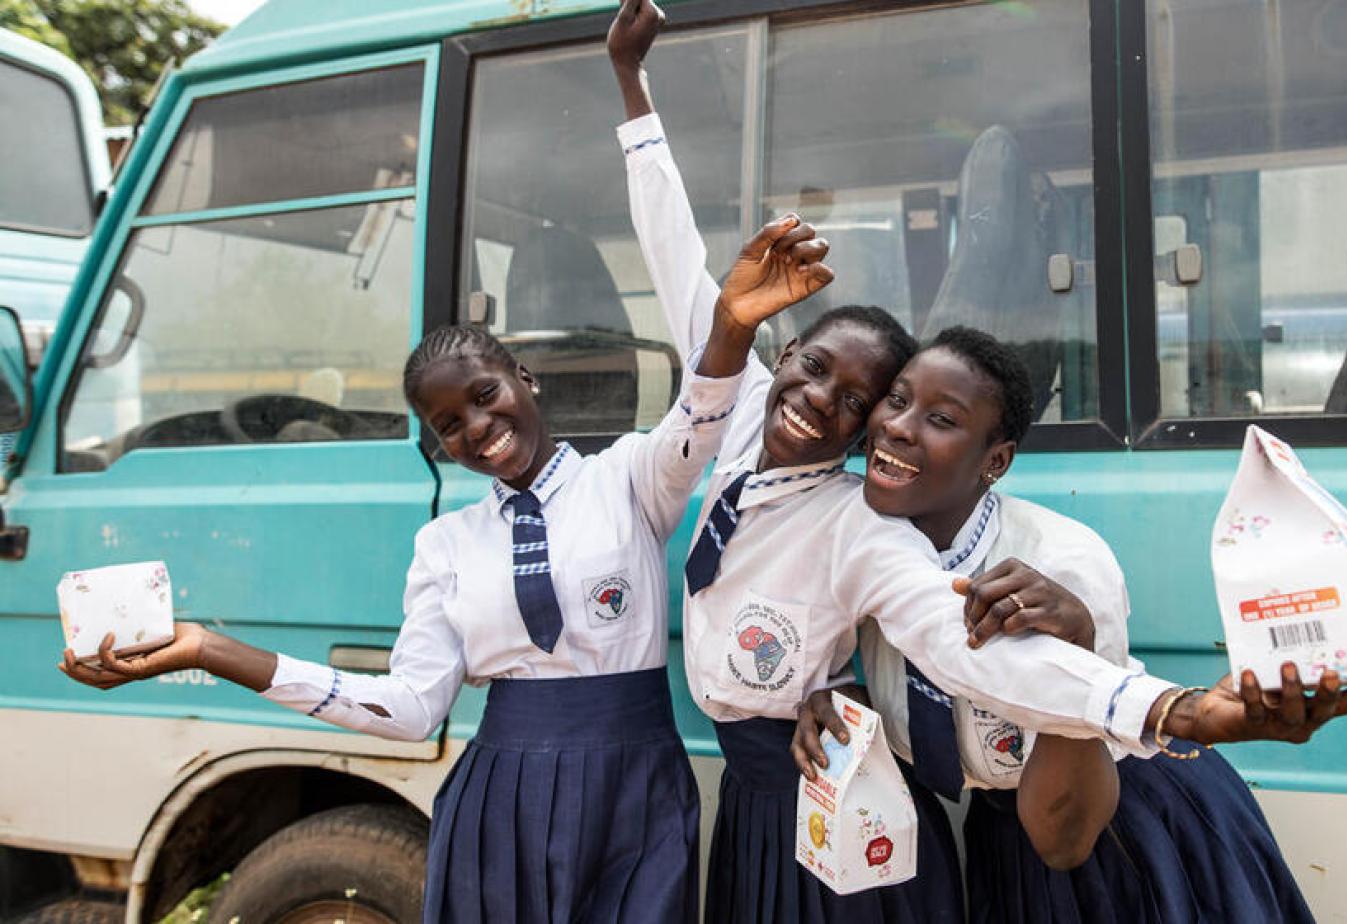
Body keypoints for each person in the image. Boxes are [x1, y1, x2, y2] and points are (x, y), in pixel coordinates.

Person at [610, 4, 1338, 922]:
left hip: (1097, 827)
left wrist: (1185, 713)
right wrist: (633, 88)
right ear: (782, 355)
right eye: (829, 376)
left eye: (865, 403)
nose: (854, 415)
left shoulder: (876, 534)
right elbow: (677, 259)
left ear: (994, 460)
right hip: (842, 813)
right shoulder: (741, 402)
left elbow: (971, 653)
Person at [58, 216, 835, 923]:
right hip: (501, 806)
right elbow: (407, 710)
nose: (479, 429)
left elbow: (704, 408)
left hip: (637, 797)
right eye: (449, 425)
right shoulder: (445, 546)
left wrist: (730, 325)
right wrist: (208, 650)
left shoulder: (629, 477)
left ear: (524, 380)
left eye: (485, 396)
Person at [791, 328, 1347, 923]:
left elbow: (1064, 841)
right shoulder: (869, 546)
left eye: (942, 419)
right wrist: (839, 692)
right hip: (998, 839)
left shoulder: (1062, 565)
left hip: (1121, 838)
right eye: (897, 401)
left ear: (996, 461)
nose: (897, 427)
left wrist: (1077, 646)